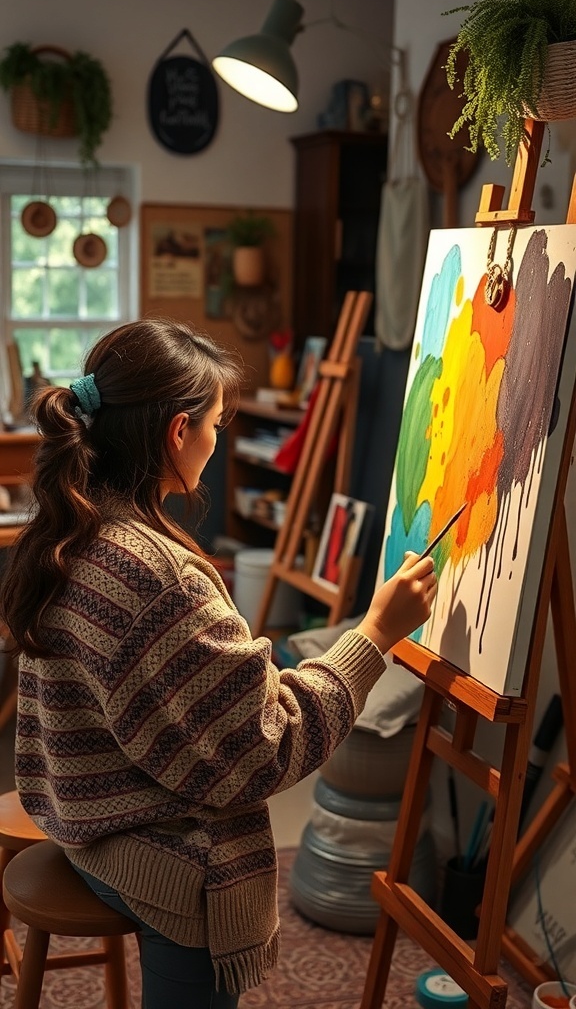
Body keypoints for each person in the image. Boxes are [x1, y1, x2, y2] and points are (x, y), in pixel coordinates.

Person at [0, 317, 437, 1009]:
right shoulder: (158, 577)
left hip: (82, 815)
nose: (218, 438)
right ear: (179, 431)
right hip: (154, 859)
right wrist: (376, 634)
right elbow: (260, 752)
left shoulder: (68, 528)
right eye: (216, 423)